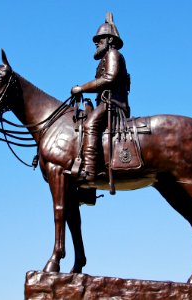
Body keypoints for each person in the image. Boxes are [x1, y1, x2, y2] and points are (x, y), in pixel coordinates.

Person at [71, 12, 131, 181]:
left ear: (110, 40)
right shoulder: (104, 59)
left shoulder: (113, 55)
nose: (96, 42)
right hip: (105, 104)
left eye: (100, 38)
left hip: (113, 105)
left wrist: (81, 88)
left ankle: (89, 170)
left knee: (90, 125)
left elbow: (109, 78)